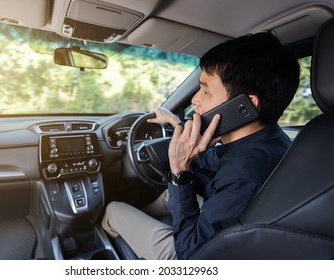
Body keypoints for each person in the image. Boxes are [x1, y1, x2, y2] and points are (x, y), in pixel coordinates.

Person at [101, 32, 300, 259]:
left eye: (205, 90)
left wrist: (179, 171)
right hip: (238, 230)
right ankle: (140, 222)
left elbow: (191, 255)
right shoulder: (265, 140)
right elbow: (211, 160)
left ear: (245, 106)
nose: (195, 99)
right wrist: (177, 124)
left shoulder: (244, 172)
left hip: (196, 257)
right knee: (170, 195)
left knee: (113, 210)